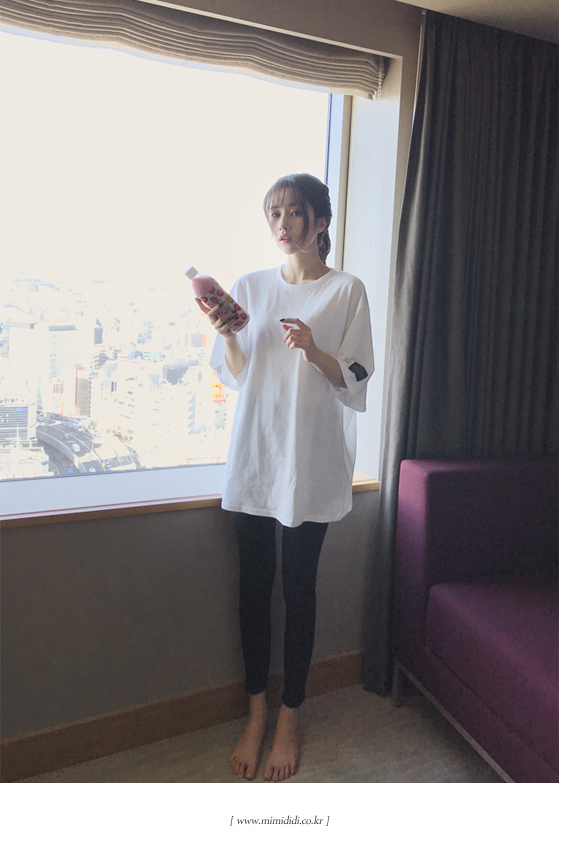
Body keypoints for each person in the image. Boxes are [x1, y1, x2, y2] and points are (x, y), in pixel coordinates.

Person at [198, 173, 374, 782]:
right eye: (274, 213)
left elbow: (358, 377)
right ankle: (256, 713)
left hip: (310, 464)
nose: (282, 223)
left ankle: (291, 717)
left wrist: (315, 351)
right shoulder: (251, 287)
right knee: (253, 587)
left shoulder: (346, 291)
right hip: (256, 457)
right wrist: (229, 335)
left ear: (320, 221)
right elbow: (237, 374)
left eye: (294, 212)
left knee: (300, 590)